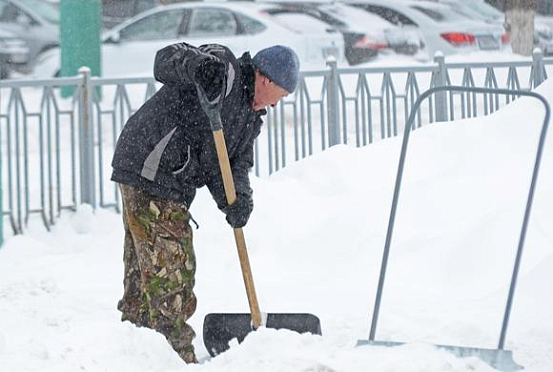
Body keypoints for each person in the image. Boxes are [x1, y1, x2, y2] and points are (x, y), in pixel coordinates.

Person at [110, 43, 300, 363]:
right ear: (266, 79)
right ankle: (175, 355)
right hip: (151, 165)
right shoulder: (224, 72)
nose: (279, 103)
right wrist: (199, 66)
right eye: (281, 94)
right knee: (172, 269)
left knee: (147, 270)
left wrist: (236, 201)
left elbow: (231, 164)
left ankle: (137, 351)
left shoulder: (250, 118)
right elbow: (167, 59)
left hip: (164, 176)